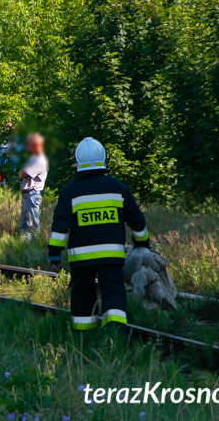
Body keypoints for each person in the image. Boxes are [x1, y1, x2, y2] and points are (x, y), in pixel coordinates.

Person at [48, 137, 150, 333]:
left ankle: (84, 337)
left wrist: (55, 254)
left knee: (83, 295)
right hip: (111, 257)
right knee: (113, 293)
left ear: (78, 162)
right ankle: (115, 334)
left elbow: (60, 226)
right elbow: (137, 221)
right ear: (103, 159)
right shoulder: (118, 188)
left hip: (81, 258)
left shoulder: (70, 192)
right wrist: (142, 244)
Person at [18, 133, 49, 240]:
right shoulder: (32, 159)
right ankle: (24, 248)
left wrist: (23, 172)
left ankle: (34, 247)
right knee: (24, 224)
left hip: (32, 194)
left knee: (32, 225)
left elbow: (22, 174)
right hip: (27, 194)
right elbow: (21, 173)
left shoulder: (39, 160)